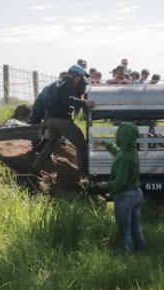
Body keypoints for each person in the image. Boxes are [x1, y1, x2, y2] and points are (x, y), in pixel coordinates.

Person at [31, 64, 95, 177]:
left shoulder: (53, 84)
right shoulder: (68, 83)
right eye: (80, 78)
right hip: (62, 121)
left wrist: (47, 120)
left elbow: (46, 102)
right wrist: (84, 102)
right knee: (81, 142)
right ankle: (83, 174)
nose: (79, 81)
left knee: (51, 145)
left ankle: (34, 168)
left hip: (51, 121)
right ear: (76, 76)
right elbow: (67, 99)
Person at [96, 123, 145, 252]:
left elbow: (121, 181)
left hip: (125, 196)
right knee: (136, 229)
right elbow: (117, 152)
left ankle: (126, 257)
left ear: (123, 136)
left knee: (125, 231)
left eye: (118, 134)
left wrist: (106, 185)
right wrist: (106, 144)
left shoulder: (123, 157)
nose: (116, 136)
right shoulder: (131, 151)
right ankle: (142, 252)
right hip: (137, 194)